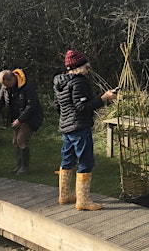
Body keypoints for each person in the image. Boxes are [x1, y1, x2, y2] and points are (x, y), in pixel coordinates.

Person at [53, 50, 117, 211]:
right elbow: (82, 107)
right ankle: (83, 200)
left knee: (67, 159)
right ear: (78, 67)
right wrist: (104, 98)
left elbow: (57, 106)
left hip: (66, 127)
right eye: (85, 67)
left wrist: (66, 119)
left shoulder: (59, 82)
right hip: (79, 127)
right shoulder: (79, 82)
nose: (87, 70)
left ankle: (64, 195)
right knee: (86, 161)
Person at [0, 69, 44, 175]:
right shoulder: (5, 86)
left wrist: (20, 120)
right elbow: (1, 100)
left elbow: (31, 105)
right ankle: (19, 166)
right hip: (16, 117)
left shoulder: (27, 86)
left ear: (12, 79)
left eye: (6, 84)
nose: (4, 87)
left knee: (21, 140)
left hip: (30, 117)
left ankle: (25, 167)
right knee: (15, 141)